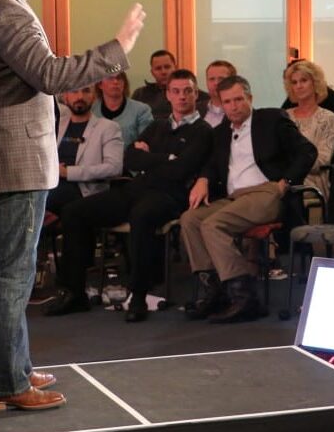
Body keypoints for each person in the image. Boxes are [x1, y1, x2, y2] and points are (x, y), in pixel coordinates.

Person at [0, 0, 144, 412]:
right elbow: (53, 75)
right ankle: (1, 385)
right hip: (11, 162)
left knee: (7, 270)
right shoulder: (6, 10)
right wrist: (118, 48)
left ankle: (8, 369)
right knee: (12, 275)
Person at [47, 69, 211, 323]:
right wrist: (165, 158)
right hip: (137, 187)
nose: (182, 97)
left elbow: (182, 170)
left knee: (141, 216)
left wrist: (151, 158)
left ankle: (138, 296)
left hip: (171, 196)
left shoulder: (203, 130)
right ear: (167, 95)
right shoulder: (158, 126)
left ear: (196, 94)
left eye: (187, 91)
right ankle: (75, 292)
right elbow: (130, 157)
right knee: (75, 212)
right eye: (176, 91)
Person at [180, 75, 317, 323]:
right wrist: (203, 179)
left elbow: (308, 151)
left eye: (238, 99)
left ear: (250, 98)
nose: (234, 106)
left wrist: (285, 183)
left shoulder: (271, 119)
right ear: (220, 104)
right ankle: (216, 291)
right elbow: (212, 163)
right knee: (190, 219)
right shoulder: (220, 132)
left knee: (213, 224)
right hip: (234, 198)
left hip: (266, 192)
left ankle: (244, 297)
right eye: (227, 102)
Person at [46, 85, 123, 216]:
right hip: (53, 184)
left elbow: (114, 168)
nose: (80, 96)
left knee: (41, 200)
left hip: (84, 190)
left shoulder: (108, 127)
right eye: (74, 91)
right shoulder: (56, 125)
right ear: (65, 97)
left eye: (86, 91)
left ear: (94, 97)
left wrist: (67, 172)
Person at [282, 59, 334, 202]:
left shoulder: (328, 118)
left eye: (303, 81)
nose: (299, 86)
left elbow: (322, 161)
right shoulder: (284, 116)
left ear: (315, 83)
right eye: (294, 83)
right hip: (282, 178)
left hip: (312, 181)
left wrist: (291, 167)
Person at [93, 71, 153, 149]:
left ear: (124, 83)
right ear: (100, 84)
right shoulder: (91, 110)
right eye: (110, 78)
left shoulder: (142, 110)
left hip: (130, 159)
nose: (115, 82)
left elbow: (146, 143)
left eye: (119, 78)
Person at [131, 49, 178, 120]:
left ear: (175, 68)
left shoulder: (189, 93)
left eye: (167, 67)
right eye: (158, 68)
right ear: (152, 72)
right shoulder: (140, 94)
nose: (163, 72)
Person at [198, 59, 237, 127]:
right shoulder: (195, 110)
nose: (216, 83)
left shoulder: (241, 111)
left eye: (221, 79)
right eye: (211, 79)